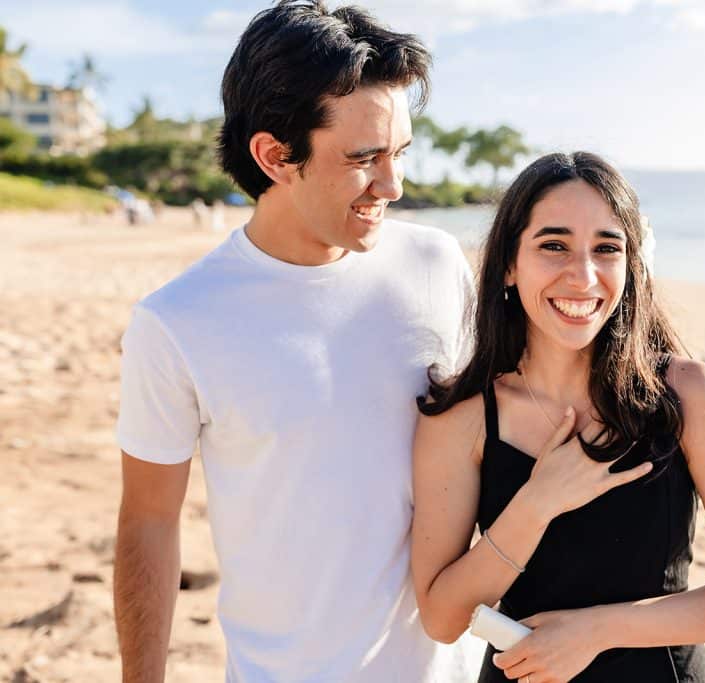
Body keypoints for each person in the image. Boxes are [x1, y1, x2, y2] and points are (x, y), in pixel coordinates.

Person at [113, 2, 474, 681]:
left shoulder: (437, 265)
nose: (392, 186)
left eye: (398, 153)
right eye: (365, 158)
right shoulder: (177, 322)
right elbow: (149, 521)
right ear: (275, 155)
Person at [412, 152, 705, 682]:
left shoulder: (687, 396)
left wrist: (595, 632)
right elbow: (441, 618)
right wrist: (538, 502)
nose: (583, 276)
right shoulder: (461, 419)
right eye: (553, 246)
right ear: (508, 263)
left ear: (630, 265)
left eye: (606, 249)